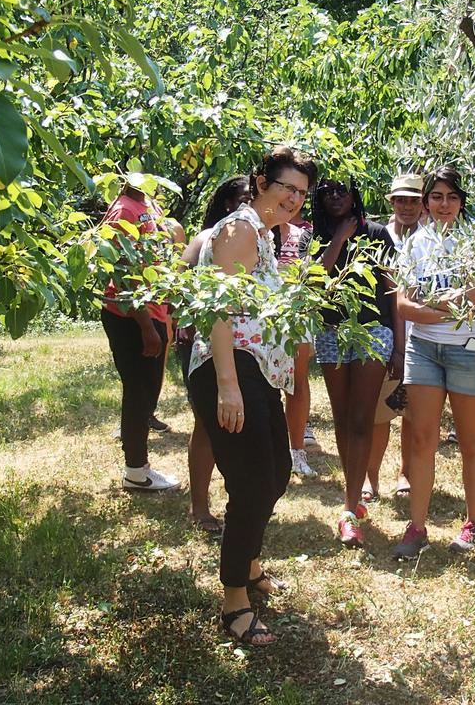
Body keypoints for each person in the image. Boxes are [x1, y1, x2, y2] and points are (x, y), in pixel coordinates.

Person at [188, 146, 316, 646]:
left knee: (274, 473)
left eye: (302, 193)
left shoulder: (264, 234)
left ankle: (250, 561)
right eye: (287, 187)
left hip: (256, 369)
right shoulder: (240, 229)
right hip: (231, 366)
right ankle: (234, 600)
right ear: (261, 181)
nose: (294, 199)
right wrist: (226, 384)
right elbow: (218, 311)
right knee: (253, 481)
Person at [392, 165, 475, 559]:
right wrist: (440, 311)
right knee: (421, 438)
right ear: (426, 202)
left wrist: (429, 308)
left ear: (462, 201)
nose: (444, 204)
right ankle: (417, 527)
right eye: (436, 197)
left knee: (470, 439)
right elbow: (402, 304)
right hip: (424, 351)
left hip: (468, 350)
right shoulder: (415, 244)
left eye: (452, 197)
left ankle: (472, 524)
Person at [312, 179, 403, 548]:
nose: (335, 197)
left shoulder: (378, 233)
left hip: (373, 333)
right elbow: (313, 284)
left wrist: (398, 344)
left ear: (356, 195)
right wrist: (337, 240)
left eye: (343, 191)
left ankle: (350, 506)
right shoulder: (313, 236)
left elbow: (394, 289)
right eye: (327, 192)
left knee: (363, 418)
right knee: (342, 418)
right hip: (331, 332)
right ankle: (351, 496)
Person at [175, 176, 253, 533]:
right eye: (241, 199)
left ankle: (244, 500)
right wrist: (186, 319)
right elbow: (177, 285)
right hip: (203, 345)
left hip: (245, 350)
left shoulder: (259, 237)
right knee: (207, 425)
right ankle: (200, 507)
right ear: (225, 204)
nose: (247, 206)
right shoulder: (205, 238)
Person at [100, 182, 181, 492]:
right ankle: (136, 471)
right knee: (138, 393)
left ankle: (139, 466)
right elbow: (120, 272)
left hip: (154, 311)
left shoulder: (147, 203)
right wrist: (146, 325)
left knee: (147, 392)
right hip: (132, 317)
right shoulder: (124, 209)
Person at [364, 173, 424, 501]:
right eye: (401, 199)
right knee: (380, 413)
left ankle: (406, 475)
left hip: (424, 338)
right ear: (391, 202)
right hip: (386, 340)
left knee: (414, 414)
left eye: (414, 200)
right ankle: (370, 478)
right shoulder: (376, 238)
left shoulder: (431, 240)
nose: (407, 206)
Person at [276, 211, 318, 478]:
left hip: (296, 318)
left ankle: (297, 452)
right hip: (254, 321)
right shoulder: (248, 233)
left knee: (297, 382)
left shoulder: (302, 235)